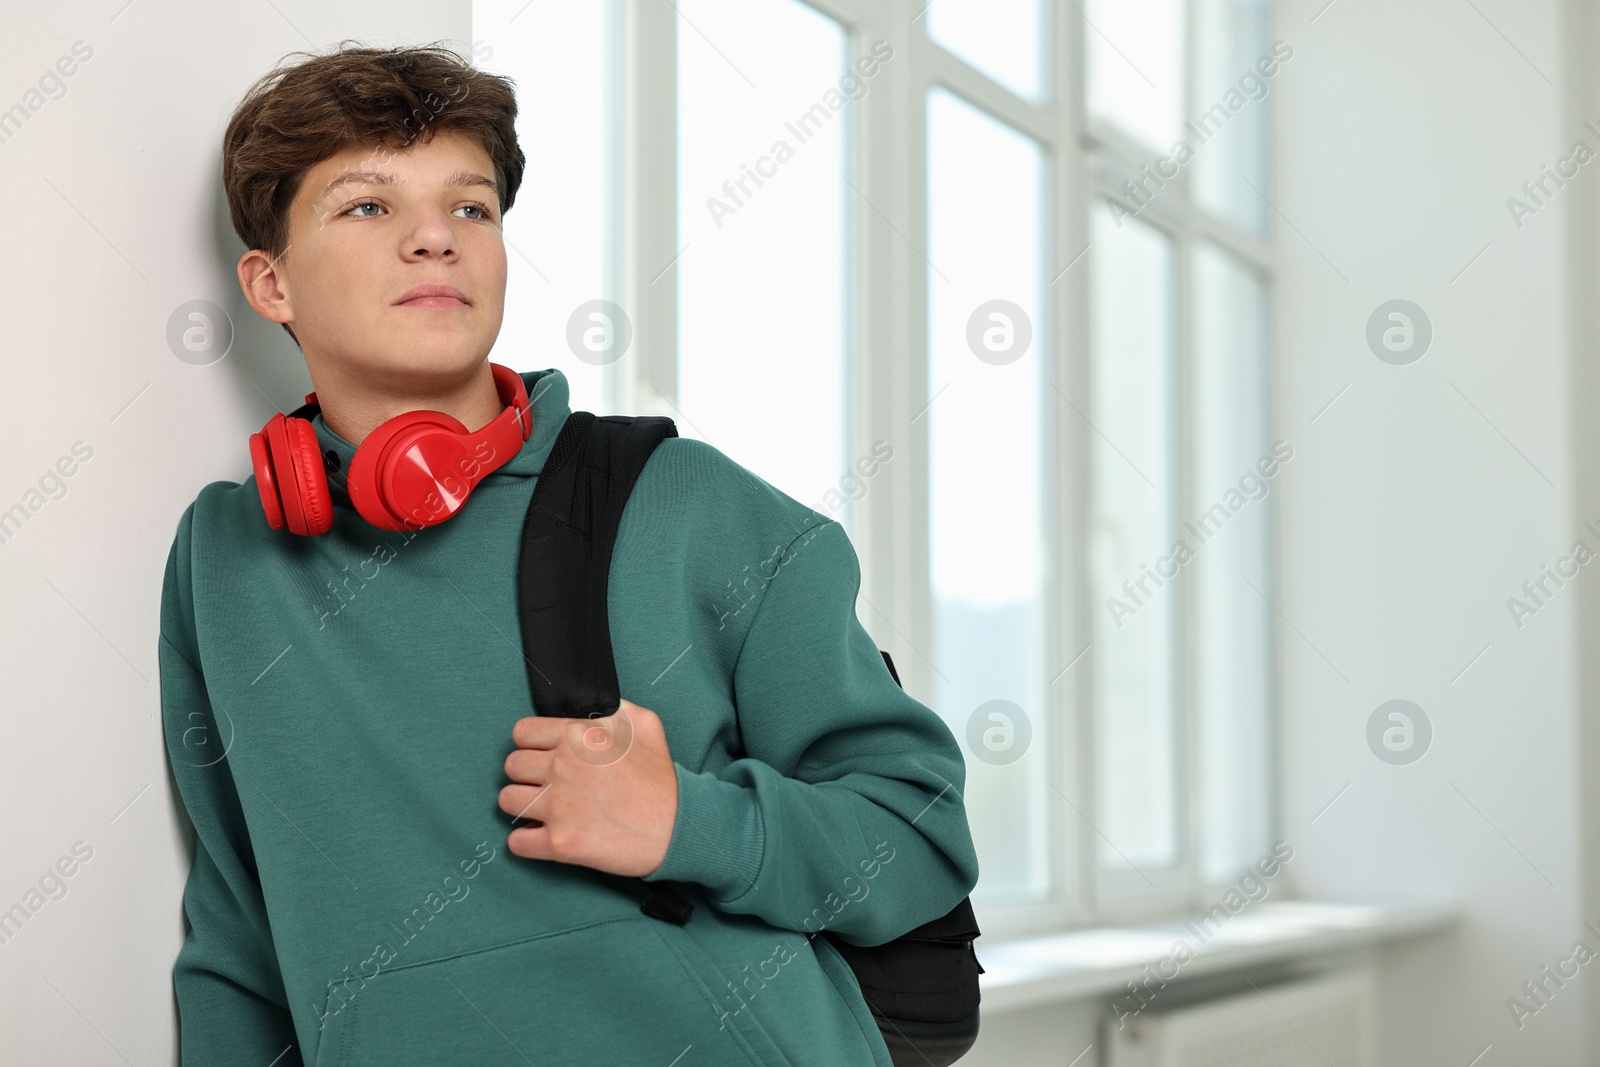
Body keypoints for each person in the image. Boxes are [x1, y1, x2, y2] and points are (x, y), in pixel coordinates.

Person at [158, 41, 979, 1066]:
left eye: (471, 208)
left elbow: (921, 834)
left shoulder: (685, 502)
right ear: (269, 283)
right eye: (368, 207)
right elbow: (239, 935)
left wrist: (694, 822)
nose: (434, 240)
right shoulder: (228, 557)